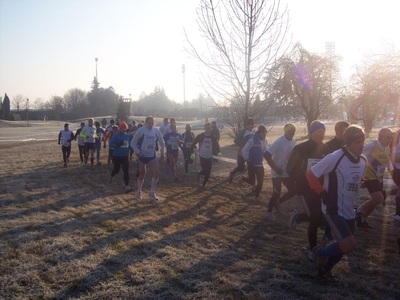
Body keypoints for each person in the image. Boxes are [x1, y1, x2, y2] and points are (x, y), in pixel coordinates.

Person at [306, 125, 367, 276]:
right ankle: (320, 252)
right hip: (333, 208)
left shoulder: (363, 160)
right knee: (349, 244)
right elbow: (311, 174)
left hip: (349, 209)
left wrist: (365, 183)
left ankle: (325, 270)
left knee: (344, 245)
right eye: (357, 142)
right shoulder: (335, 157)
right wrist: (322, 194)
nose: (361, 145)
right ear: (348, 142)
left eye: (363, 141)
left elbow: (356, 180)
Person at [286, 120, 331, 261]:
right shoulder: (301, 148)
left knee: (321, 216)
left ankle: (298, 217)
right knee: (316, 217)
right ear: (311, 133)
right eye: (319, 132)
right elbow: (289, 169)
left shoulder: (326, 149)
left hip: (321, 188)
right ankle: (313, 250)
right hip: (305, 189)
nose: (322, 135)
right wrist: (300, 180)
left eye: (323, 132)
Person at [356, 128, 394, 227]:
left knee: (376, 200)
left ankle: (362, 218)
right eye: (388, 137)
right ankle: (358, 210)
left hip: (379, 178)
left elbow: (388, 160)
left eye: (391, 138)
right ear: (380, 136)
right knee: (378, 198)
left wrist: (393, 172)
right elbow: (357, 153)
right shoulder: (372, 145)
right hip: (369, 177)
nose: (390, 140)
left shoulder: (387, 147)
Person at [264, 123, 297, 219]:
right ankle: (269, 212)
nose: (293, 132)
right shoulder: (279, 141)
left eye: (294, 130)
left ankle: (278, 203)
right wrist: (276, 168)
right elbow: (266, 155)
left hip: (286, 171)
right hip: (277, 172)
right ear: (286, 131)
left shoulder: (294, 141)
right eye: (291, 130)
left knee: (293, 191)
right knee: (276, 193)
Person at [131, 116, 165, 201]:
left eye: (152, 123)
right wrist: (139, 152)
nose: (151, 125)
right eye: (149, 123)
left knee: (156, 173)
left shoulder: (156, 130)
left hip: (152, 155)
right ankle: (139, 191)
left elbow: (162, 141)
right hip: (143, 155)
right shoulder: (141, 130)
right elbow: (132, 143)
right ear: (146, 123)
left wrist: (162, 152)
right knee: (142, 174)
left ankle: (152, 192)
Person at [240, 125, 268, 200]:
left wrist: (269, 154)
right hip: (251, 164)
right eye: (262, 132)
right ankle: (243, 179)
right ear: (259, 133)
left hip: (259, 164)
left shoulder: (265, 140)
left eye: (265, 132)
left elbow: (265, 149)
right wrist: (247, 159)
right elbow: (244, 150)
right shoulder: (252, 139)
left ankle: (257, 196)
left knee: (260, 181)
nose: (264, 133)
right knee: (252, 181)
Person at [191, 122, 221, 189]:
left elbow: (216, 145)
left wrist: (218, 152)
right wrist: (192, 151)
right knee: (204, 171)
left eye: (210, 128)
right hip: (202, 156)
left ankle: (203, 185)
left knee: (208, 172)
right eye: (207, 128)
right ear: (204, 129)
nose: (208, 130)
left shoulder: (213, 137)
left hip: (209, 156)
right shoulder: (200, 136)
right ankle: (199, 173)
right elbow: (193, 143)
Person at [228, 119, 255, 184]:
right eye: (251, 124)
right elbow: (236, 140)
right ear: (247, 125)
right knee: (240, 167)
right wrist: (245, 143)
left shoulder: (253, 133)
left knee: (249, 167)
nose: (252, 125)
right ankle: (232, 174)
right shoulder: (243, 131)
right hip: (241, 152)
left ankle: (249, 180)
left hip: (250, 153)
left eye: (253, 124)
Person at [108, 122, 132, 193]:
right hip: (117, 156)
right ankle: (112, 175)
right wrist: (118, 144)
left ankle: (127, 186)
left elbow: (129, 144)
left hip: (125, 156)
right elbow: (111, 144)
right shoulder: (115, 136)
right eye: (122, 128)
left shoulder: (127, 136)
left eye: (125, 128)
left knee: (126, 171)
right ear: (119, 128)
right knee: (117, 170)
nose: (123, 130)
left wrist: (132, 150)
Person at [390, 128, 400, 221]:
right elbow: (388, 153)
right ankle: (397, 214)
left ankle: (385, 193)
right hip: (395, 167)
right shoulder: (395, 136)